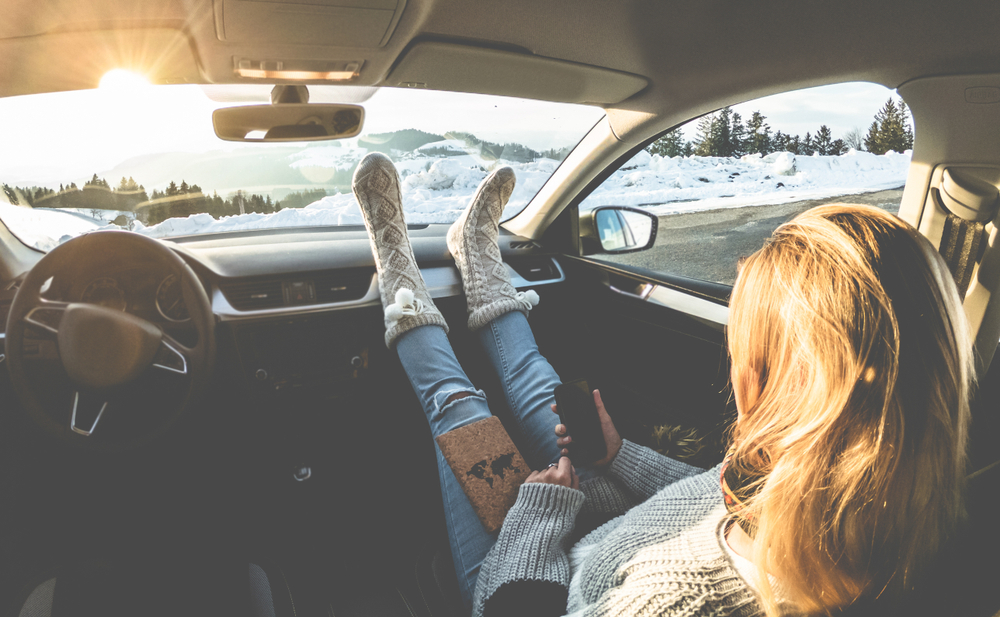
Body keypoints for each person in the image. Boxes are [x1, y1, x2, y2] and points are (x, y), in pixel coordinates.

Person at [352, 152, 973, 617]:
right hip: (602, 527)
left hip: (525, 574)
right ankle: (478, 261)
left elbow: (511, 607)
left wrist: (536, 515)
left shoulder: (672, 602)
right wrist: (620, 458)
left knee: (459, 407)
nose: (734, 363)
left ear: (787, 383)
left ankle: (398, 279)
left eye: (743, 345)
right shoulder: (859, 493)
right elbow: (704, 495)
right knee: (543, 389)